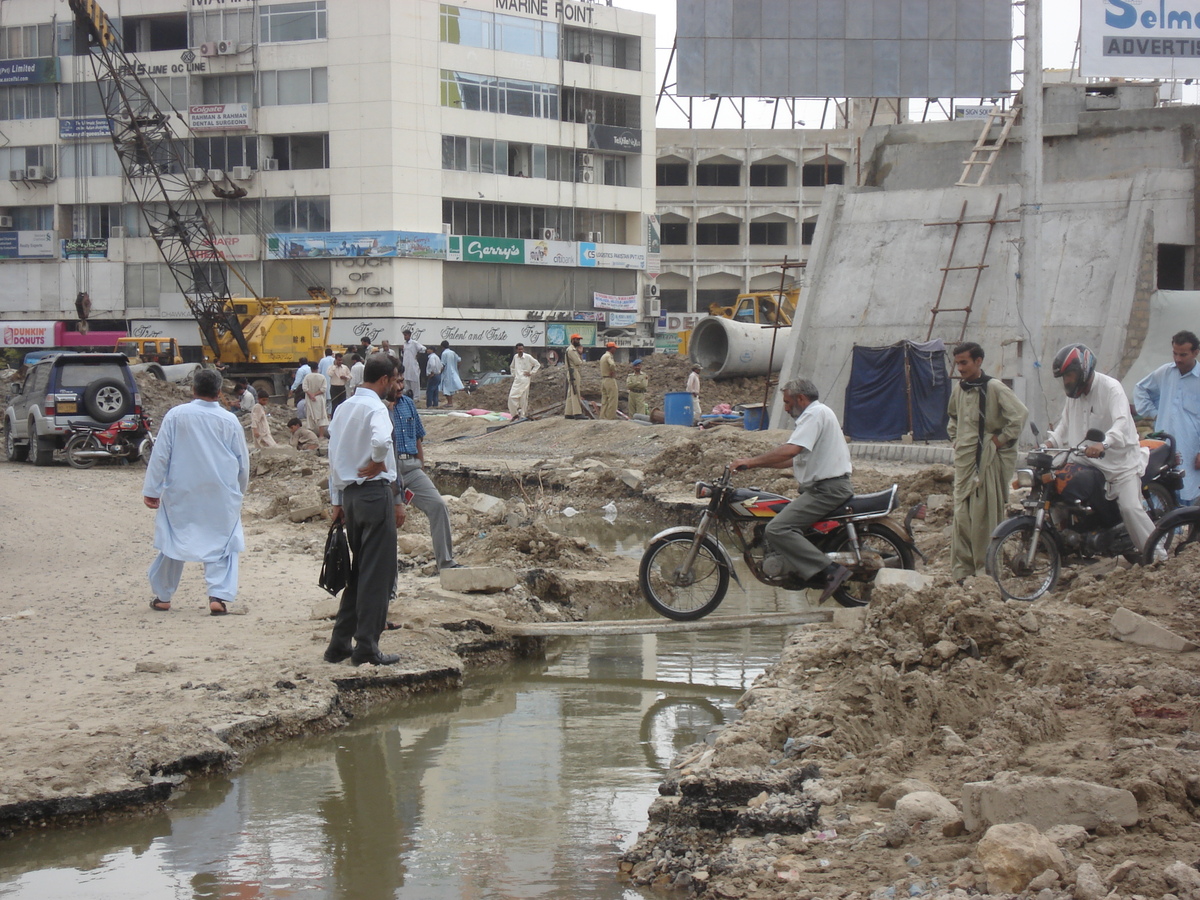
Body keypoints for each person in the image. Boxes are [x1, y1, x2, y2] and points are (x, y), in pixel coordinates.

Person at [730, 378, 854, 603]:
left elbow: (790, 450)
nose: (786, 408)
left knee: (777, 528)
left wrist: (751, 460)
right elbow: (791, 460)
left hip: (827, 490)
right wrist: (753, 464)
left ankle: (831, 570)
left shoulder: (813, 414)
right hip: (822, 488)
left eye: (787, 402)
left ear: (801, 398)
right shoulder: (817, 414)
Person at [143, 368, 250, 616]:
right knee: (222, 544)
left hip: (182, 490)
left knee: (173, 542)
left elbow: (161, 455)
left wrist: (152, 489)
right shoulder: (229, 420)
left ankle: (163, 596)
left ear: (193, 389)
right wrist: (238, 492)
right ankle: (218, 596)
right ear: (219, 391)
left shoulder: (176, 415)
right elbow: (242, 462)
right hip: (220, 491)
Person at [324, 354, 407, 666]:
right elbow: (383, 440)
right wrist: (376, 459)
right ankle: (367, 647)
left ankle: (339, 644)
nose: (395, 386)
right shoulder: (376, 408)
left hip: (350, 497)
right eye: (394, 380)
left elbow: (333, 458)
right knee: (377, 576)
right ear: (384, 380)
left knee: (359, 573)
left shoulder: (343, 409)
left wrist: (336, 502)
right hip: (374, 495)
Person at [1045, 344, 1155, 555]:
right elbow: (1064, 425)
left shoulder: (1111, 388)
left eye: (1070, 374)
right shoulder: (1073, 397)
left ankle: (1156, 554)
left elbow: (1121, 424)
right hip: (1084, 461)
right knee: (1056, 489)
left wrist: (1102, 444)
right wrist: (1048, 444)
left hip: (1118, 463)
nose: (1067, 381)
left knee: (1130, 508)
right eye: (1064, 377)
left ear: (1083, 370)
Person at [946, 342, 1028, 582]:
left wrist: (999, 441)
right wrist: (956, 439)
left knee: (984, 517)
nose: (959, 368)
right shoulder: (959, 390)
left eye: (964, 362)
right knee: (962, 516)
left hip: (988, 461)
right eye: (957, 363)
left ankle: (985, 573)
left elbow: (1019, 415)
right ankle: (962, 571)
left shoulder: (993, 387)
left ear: (978, 361)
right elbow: (953, 418)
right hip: (964, 462)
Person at [390, 378, 462, 571]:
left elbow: (418, 436)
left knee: (438, 506)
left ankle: (446, 563)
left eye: (401, 381)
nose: (400, 386)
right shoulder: (379, 408)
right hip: (388, 469)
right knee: (387, 517)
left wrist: (420, 465)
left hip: (411, 467)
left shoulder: (407, 404)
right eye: (395, 382)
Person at [1135, 329, 1200, 503]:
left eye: (1183, 354)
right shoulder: (1165, 372)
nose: (1178, 359)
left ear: (1195, 352)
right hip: (1164, 446)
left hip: (1191, 449)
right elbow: (1141, 389)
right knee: (1160, 491)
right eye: (1175, 354)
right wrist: (1156, 414)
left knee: (1187, 494)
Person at [507, 342, 542, 419]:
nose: (521, 351)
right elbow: (512, 367)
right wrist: (514, 374)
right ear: (516, 350)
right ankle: (515, 414)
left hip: (525, 380)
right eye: (519, 349)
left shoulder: (528, 357)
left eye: (522, 349)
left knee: (523, 398)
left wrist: (531, 373)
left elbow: (537, 364)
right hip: (517, 381)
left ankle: (522, 415)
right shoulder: (515, 357)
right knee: (511, 397)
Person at [303, 367, 330, 438]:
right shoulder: (322, 377)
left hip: (310, 399)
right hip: (319, 398)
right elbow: (323, 389)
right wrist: (315, 394)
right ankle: (321, 436)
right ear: (317, 368)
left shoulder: (307, 377)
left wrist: (311, 395)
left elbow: (305, 388)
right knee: (322, 417)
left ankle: (311, 436)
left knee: (310, 416)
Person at [565, 334, 586, 419]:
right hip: (573, 371)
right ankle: (577, 413)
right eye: (577, 340)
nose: (579, 342)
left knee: (570, 393)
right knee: (575, 391)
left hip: (572, 371)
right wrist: (580, 353)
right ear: (573, 340)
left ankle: (568, 412)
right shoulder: (572, 350)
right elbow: (578, 362)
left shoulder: (570, 349)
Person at [400, 329, 426, 398]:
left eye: (406, 335)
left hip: (413, 365)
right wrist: (402, 351)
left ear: (409, 335)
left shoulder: (414, 343)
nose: (405, 337)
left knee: (414, 381)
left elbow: (423, 349)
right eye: (404, 335)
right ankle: (408, 396)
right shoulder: (404, 344)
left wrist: (418, 354)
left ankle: (416, 397)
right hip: (406, 365)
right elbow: (403, 355)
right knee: (407, 381)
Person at [599, 341, 618, 419]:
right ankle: (610, 417)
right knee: (612, 399)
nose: (615, 350)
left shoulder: (603, 356)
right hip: (610, 380)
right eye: (615, 348)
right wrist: (613, 371)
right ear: (612, 348)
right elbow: (612, 364)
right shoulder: (608, 356)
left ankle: (602, 416)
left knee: (604, 400)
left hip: (604, 380)